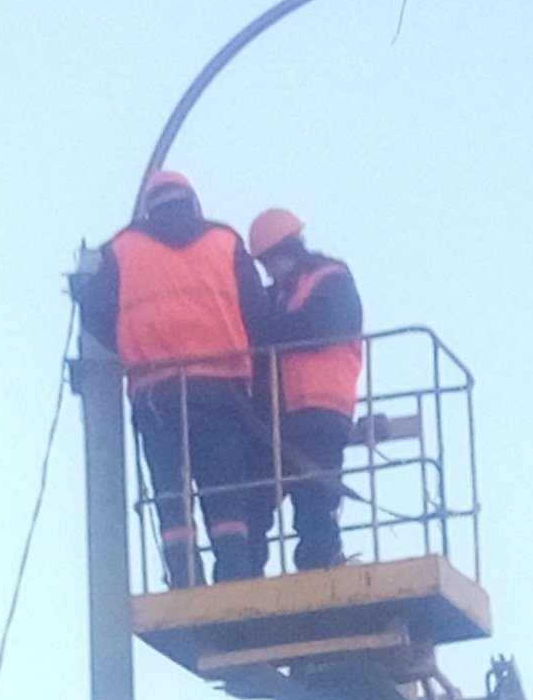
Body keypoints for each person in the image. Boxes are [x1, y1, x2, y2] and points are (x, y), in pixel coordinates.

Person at [76, 172, 268, 586]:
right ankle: (234, 575)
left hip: (155, 392)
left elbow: (93, 313)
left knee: (170, 493)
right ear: (192, 202)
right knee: (225, 492)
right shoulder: (226, 242)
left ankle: (184, 578)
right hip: (222, 389)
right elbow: (258, 313)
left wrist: (132, 342)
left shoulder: (122, 249)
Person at [246, 208, 364, 572]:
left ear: (290, 248)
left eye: (272, 260)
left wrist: (268, 330)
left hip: (320, 409)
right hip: (283, 416)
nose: (270, 268)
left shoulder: (331, 280)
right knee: (254, 499)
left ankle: (320, 565)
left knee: (314, 497)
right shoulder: (280, 295)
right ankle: (246, 572)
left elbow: (318, 327)